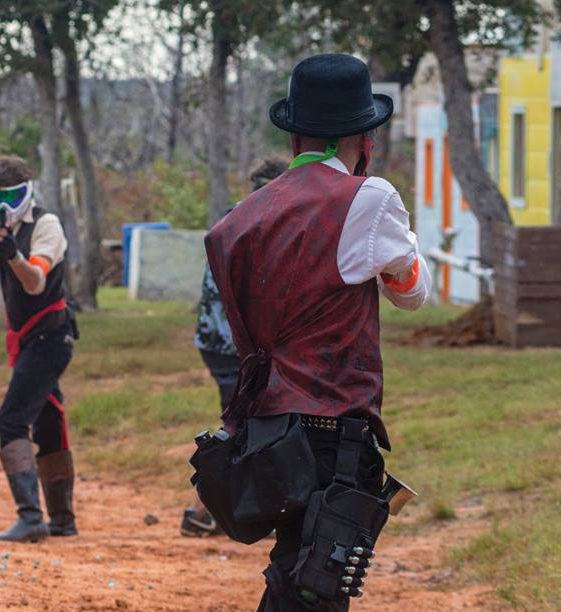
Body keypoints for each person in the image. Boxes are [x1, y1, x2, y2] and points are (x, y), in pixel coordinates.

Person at [204, 54, 431, 611]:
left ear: (294, 132)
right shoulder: (370, 198)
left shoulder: (239, 218)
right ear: (365, 133)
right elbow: (412, 293)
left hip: (265, 429)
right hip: (333, 430)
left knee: (298, 574)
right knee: (313, 588)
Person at [0, 156, 78, 542]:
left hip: (52, 336)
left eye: (12, 194)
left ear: (28, 191)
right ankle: (62, 521)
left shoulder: (47, 224)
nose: (4, 201)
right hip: (29, 337)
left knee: (10, 421)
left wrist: (13, 254)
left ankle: (31, 518)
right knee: (49, 423)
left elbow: (34, 282)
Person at [182, 159, 286, 537]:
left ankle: (205, 513)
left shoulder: (233, 218)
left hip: (216, 342)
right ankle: (207, 511)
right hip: (237, 346)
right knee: (243, 427)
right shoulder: (260, 225)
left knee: (245, 424)